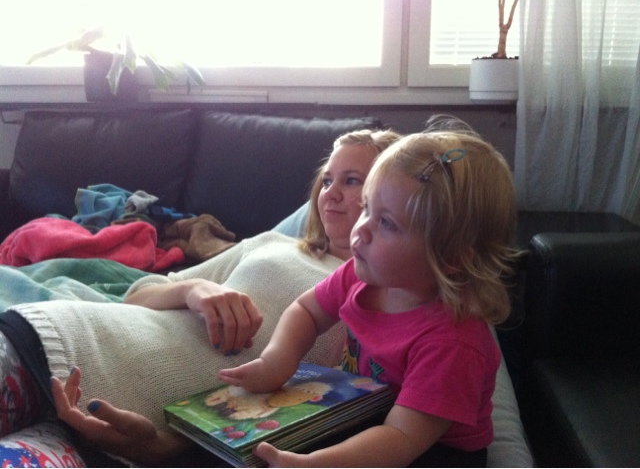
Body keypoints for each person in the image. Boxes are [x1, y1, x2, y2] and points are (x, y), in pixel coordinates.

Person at [0, 128, 401, 466]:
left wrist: (162, 446)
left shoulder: (388, 302)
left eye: (352, 181)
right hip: (64, 342)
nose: (331, 194)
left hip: (115, 440)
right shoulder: (273, 245)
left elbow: (293, 411)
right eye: (327, 181)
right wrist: (194, 289)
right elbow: (135, 298)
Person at [215, 129, 523, 467]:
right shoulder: (361, 276)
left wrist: (316, 464)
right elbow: (307, 311)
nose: (360, 229)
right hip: (366, 411)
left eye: (386, 223)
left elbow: (400, 438)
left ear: (450, 257)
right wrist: (277, 362)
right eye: (366, 208)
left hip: (428, 450)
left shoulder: (453, 342)